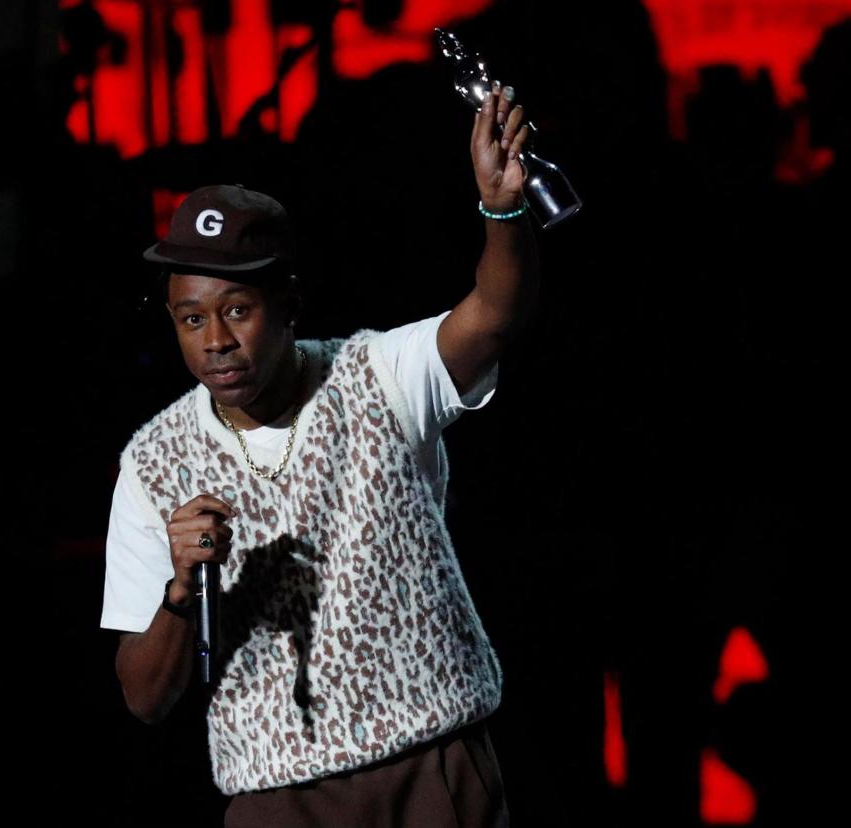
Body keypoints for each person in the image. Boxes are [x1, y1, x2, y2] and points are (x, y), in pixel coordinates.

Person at [101, 80, 541, 825]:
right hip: (279, 798)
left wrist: (501, 209)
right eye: (190, 318)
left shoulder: (377, 375)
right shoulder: (154, 462)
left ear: (289, 303)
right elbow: (144, 698)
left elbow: (493, 317)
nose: (215, 341)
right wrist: (181, 593)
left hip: (431, 769)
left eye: (238, 311)